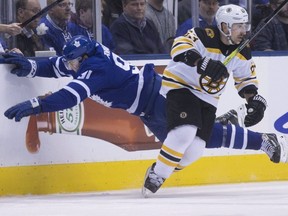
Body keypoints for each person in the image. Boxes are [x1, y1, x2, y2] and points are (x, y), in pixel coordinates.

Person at [2, 35, 287, 167]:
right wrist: (28, 66)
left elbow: (68, 97)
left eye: (74, 62)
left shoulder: (95, 70)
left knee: (197, 141)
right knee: (188, 148)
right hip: (148, 104)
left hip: (156, 100)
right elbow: (58, 66)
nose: (71, 66)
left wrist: (37, 106)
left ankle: (262, 140)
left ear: (85, 59)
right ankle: (240, 131)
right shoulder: (88, 56)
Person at [142, 4, 270, 196]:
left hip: (208, 99)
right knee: (185, 132)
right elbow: (178, 47)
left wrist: (255, 102)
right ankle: (156, 177)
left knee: (195, 150)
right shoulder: (204, 35)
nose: (244, 31)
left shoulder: (243, 51)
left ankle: (160, 169)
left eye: (245, 26)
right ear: (225, 27)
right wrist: (202, 62)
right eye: (239, 26)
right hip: (181, 87)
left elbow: (246, 81)